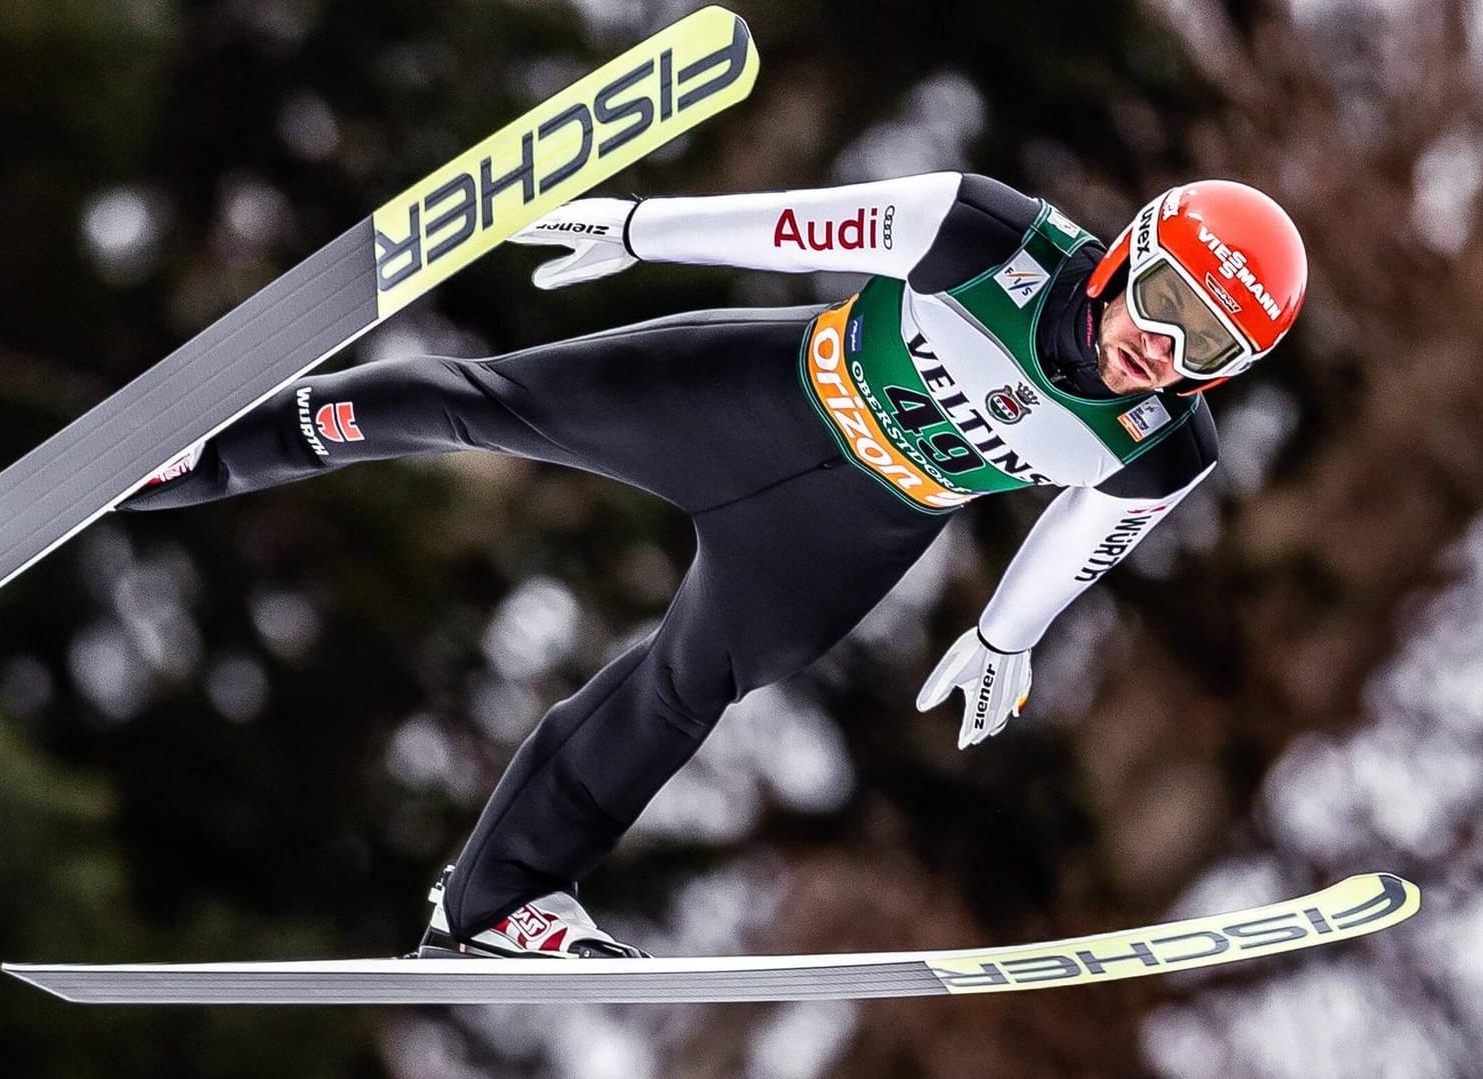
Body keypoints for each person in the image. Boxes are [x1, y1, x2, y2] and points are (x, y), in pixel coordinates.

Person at [121, 173, 1308, 958]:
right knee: (480, 404)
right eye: (1163, 302)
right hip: (755, 398)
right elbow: (801, 225)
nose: (1159, 345)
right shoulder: (987, 234)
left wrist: (1007, 632)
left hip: (850, 531)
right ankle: (203, 453)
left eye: (1204, 342)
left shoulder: (1163, 447)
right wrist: (640, 228)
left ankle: (492, 906)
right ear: (1125, 259)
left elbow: (1086, 531)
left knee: (687, 689)